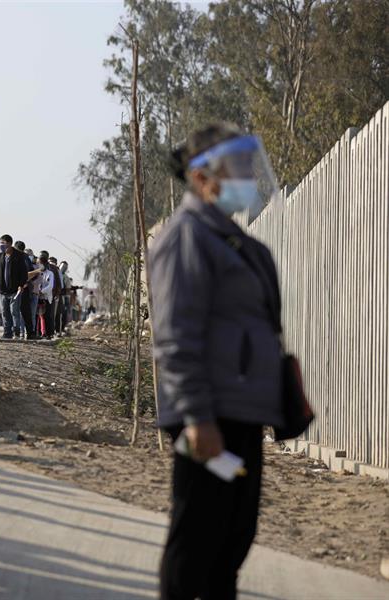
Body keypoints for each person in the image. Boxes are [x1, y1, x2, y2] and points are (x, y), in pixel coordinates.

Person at [150, 123, 284, 600]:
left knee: (232, 540)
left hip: (240, 414)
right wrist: (197, 417)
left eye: (252, 166)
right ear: (204, 176)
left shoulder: (238, 242)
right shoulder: (185, 237)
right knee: (196, 542)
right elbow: (176, 338)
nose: (250, 177)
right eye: (240, 168)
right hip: (206, 418)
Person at [0, 235, 28, 339]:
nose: (1, 245)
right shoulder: (0, 256)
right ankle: (7, 332)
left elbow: (24, 273)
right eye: (0, 243)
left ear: (9, 243)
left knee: (14, 311)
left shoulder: (19, 256)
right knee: (4, 312)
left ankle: (16, 332)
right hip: (3, 290)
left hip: (15, 289)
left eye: (3, 243)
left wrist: (21, 285)